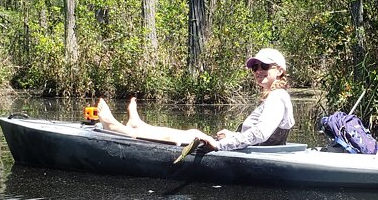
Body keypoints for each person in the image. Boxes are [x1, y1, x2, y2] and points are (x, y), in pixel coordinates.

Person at [93, 48, 295, 150]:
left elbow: (260, 134)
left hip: (256, 155)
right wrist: (232, 135)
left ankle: (119, 129)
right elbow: (259, 134)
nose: (258, 71)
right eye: (254, 67)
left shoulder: (277, 97)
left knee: (190, 136)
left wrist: (222, 145)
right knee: (193, 133)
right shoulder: (274, 96)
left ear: (279, 71)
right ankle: (136, 125)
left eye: (264, 66)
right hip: (252, 150)